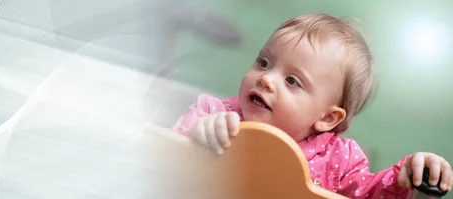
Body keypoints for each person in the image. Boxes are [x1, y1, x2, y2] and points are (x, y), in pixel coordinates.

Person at [169, 14, 452, 198]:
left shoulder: (340, 161)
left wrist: (404, 176)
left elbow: (369, 194)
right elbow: (162, 160)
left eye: (292, 81)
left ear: (328, 118)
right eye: (264, 62)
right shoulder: (215, 115)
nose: (266, 79)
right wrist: (197, 138)